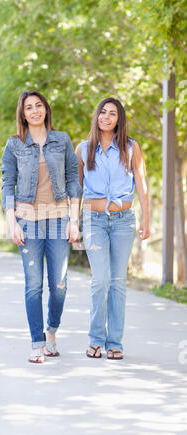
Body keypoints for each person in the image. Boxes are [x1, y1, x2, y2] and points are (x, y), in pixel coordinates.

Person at [1, 90, 82, 363]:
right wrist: (12, 223)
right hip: (27, 221)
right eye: (28, 108)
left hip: (59, 219)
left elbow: (73, 180)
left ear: (46, 109)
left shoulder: (62, 140)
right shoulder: (14, 145)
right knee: (33, 285)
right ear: (22, 114)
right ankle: (37, 343)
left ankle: (51, 332)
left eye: (38, 106)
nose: (34, 111)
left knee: (59, 284)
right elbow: (7, 185)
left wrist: (74, 219)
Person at [76, 97, 150, 360]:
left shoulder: (131, 148)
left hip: (123, 221)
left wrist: (146, 219)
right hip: (93, 220)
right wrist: (73, 224)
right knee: (101, 280)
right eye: (102, 112)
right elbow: (77, 190)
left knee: (118, 282)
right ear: (97, 116)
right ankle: (95, 339)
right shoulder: (83, 149)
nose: (106, 117)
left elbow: (141, 184)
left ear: (119, 119)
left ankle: (115, 343)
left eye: (112, 113)